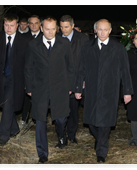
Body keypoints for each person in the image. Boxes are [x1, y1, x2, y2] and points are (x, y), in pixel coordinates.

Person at [74, 19, 133, 163]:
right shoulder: (87, 47)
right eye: (100, 29)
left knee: (106, 122)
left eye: (105, 30)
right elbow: (80, 68)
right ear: (95, 30)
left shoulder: (118, 48)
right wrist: (77, 87)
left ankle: (101, 151)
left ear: (110, 31)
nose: (102, 32)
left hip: (110, 90)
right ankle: (99, 138)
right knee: (91, 121)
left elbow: (125, 70)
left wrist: (127, 91)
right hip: (92, 90)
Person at [24, 16, 74, 163]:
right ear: (41, 28)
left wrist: (70, 86)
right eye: (47, 29)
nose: (50, 32)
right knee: (40, 121)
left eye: (53, 29)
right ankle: (42, 153)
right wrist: (29, 86)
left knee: (60, 119)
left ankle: (61, 135)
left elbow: (70, 67)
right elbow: (28, 67)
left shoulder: (64, 43)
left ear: (56, 29)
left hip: (60, 88)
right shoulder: (33, 45)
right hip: (40, 89)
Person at [0, 13, 32, 146]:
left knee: (7, 104)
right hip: (0, 78)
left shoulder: (24, 40)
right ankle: (14, 129)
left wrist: (27, 81)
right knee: (6, 103)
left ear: (17, 25)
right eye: (6, 25)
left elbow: (29, 62)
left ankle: (3, 136)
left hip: (16, 79)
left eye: (12, 25)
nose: (9, 28)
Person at [58, 15, 89, 144]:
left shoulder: (83, 39)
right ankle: (61, 136)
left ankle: (71, 134)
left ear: (72, 25)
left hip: (76, 79)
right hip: (59, 80)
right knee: (60, 109)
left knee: (73, 109)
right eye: (61, 27)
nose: (63, 30)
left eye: (66, 27)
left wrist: (84, 79)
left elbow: (87, 61)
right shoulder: (57, 38)